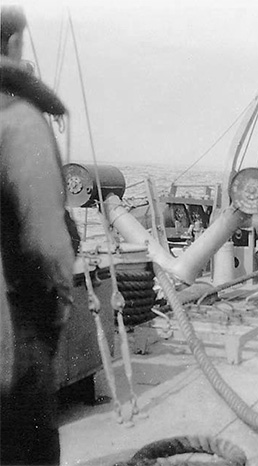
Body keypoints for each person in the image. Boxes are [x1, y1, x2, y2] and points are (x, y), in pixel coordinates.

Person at [1, 5, 78, 465]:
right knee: (26, 446)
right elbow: (47, 241)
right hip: (17, 318)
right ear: (12, 44)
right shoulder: (18, 120)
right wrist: (58, 304)